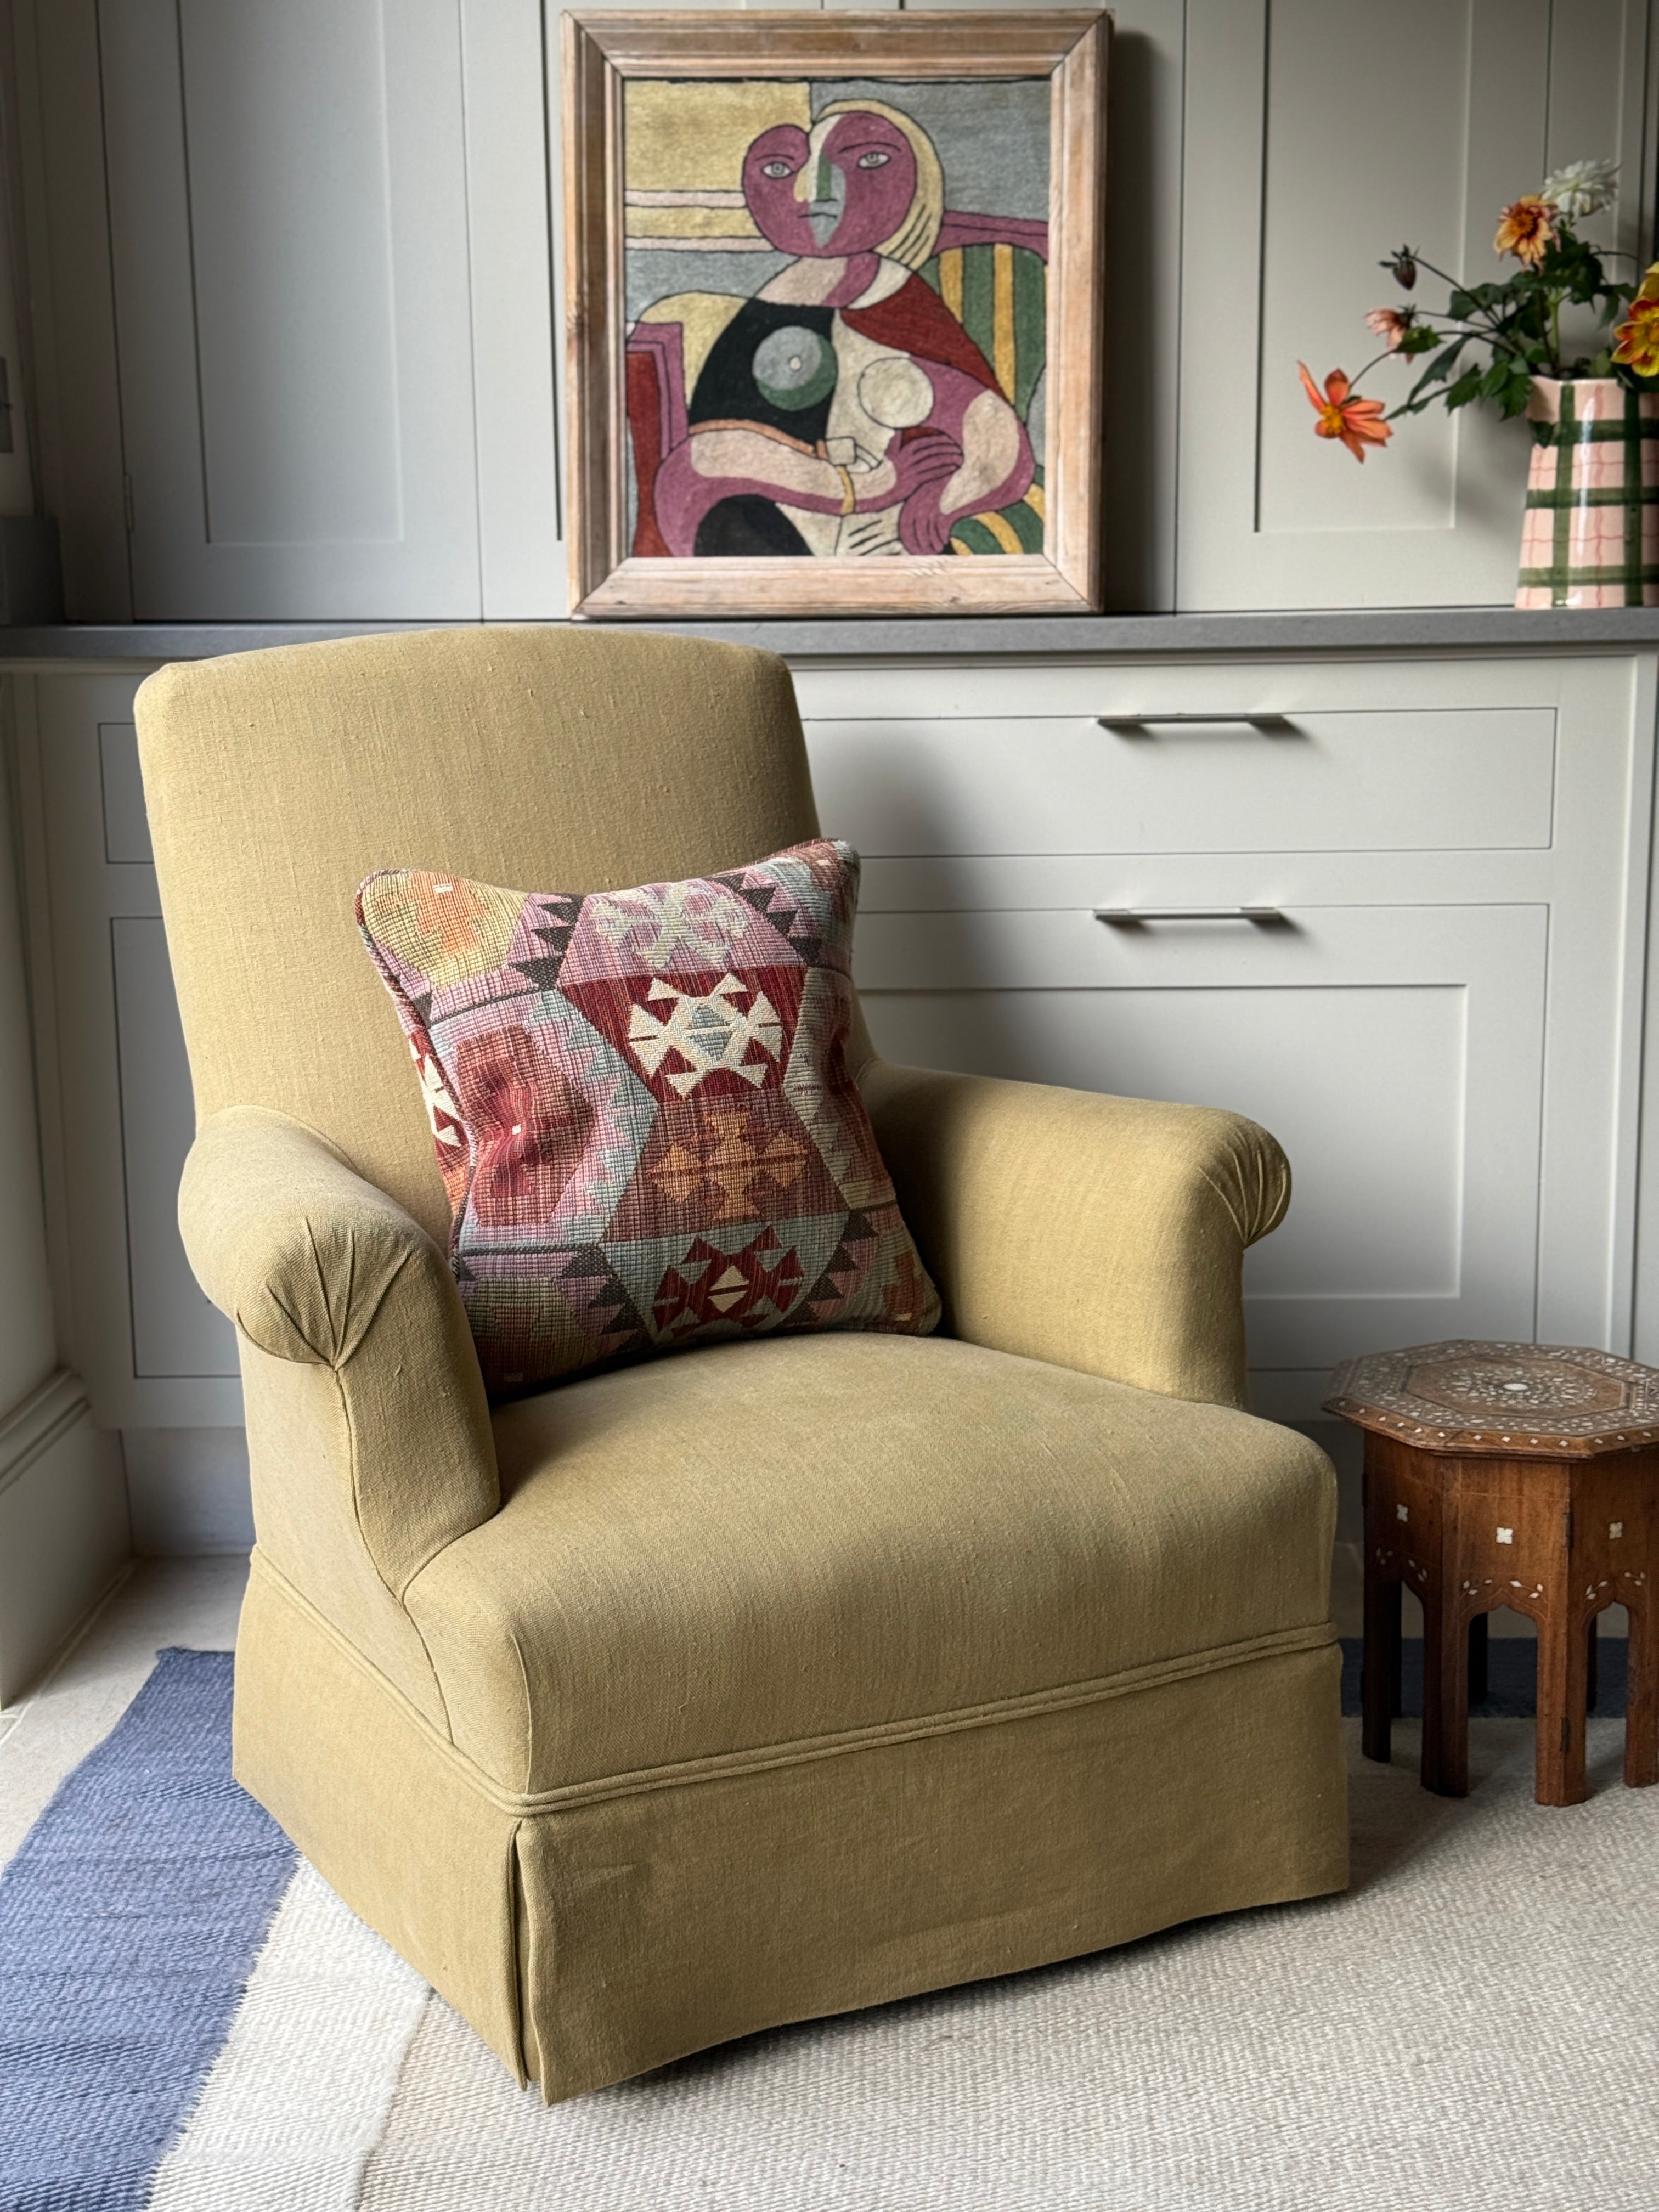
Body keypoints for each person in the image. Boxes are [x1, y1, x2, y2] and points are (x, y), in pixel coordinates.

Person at [639, 100, 1035, 558]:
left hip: (873, 542)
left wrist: (943, 503)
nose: (815, 193)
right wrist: (864, 486)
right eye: (780, 169)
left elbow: (995, 437)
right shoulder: (771, 304)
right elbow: (707, 459)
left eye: (868, 161)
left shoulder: (894, 300)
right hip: (763, 524)